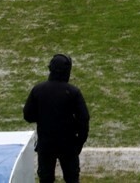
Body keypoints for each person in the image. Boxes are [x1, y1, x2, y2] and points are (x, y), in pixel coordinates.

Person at [24, 54, 90, 183]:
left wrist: (44, 118)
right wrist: (79, 142)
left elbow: (28, 115)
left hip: (46, 143)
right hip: (68, 144)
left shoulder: (38, 90)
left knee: (46, 178)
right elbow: (84, 119)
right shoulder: (73, 92)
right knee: (72, 179)